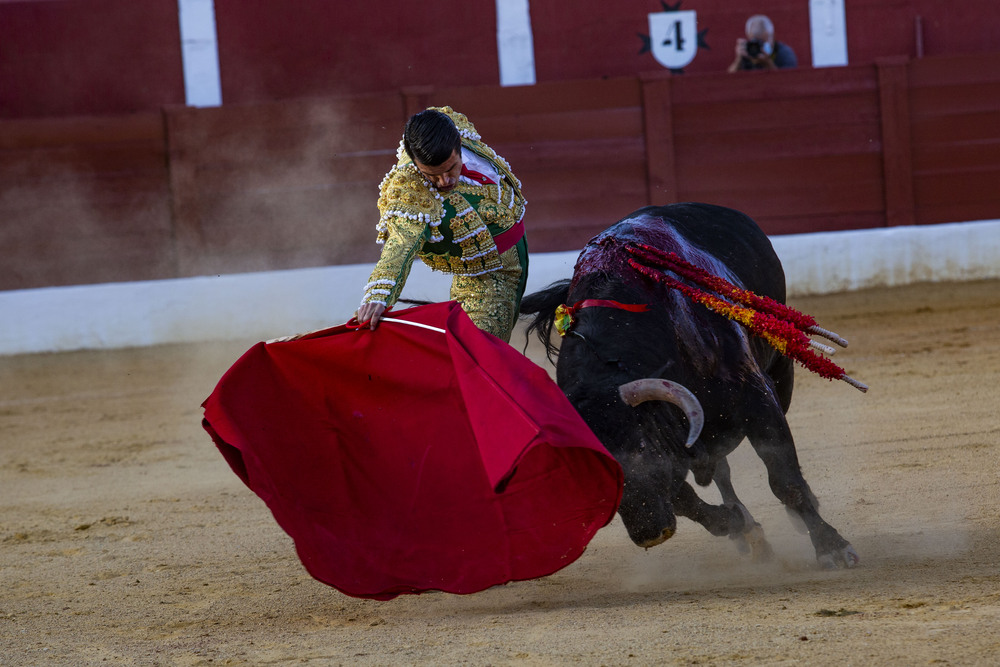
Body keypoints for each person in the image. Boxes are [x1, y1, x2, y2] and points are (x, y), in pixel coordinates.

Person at [355, 107, 528, 342]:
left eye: (450, 169)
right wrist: (378, 295)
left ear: (458, 144)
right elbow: (399, 245)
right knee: (479, 352)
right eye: (432, 176)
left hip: (509, 256)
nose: (444, 181)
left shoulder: (455, 130)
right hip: (484, 278)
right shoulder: (410, 191)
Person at [728, 15, 798, 72]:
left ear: (772, 37)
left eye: (761, 42)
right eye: (755, 41)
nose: (758, 47)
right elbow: (729, 81)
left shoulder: (784, 53)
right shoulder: (748, 52)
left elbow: (788, 81)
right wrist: (738, 60)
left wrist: (768, 64)